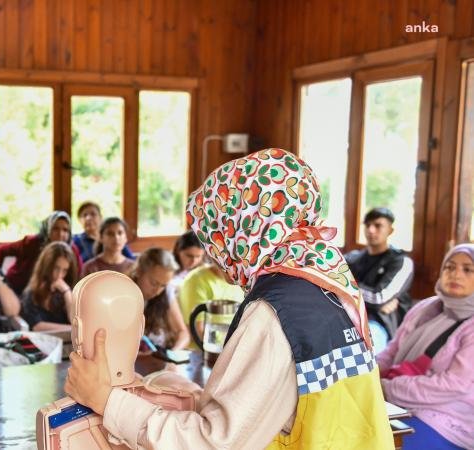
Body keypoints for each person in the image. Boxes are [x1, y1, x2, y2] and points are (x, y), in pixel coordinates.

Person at [65, 148, 394, 448]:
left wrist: (106, 400)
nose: (218, 255)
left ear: (244, 229)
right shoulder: (328, 279)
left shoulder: (273, 311)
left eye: (218, 239)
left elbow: (213, 444)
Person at [377, 243, 474, 449]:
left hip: (447, 419)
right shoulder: (426, 307)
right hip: (399, 402)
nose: (456, 274)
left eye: (467, 269)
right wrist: (368, 375)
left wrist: (388, 388)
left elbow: (454, 385)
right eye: (449, 267)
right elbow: (392, 351)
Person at [345, 207, 414, 350]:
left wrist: (343, 288)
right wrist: (377, 300)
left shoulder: (401, 262)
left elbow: (379, 297)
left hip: (379, 324)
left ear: (390, 230)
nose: (371, 230)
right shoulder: (353, 258)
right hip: (346, 317)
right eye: (367, 225)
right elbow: (329, 280)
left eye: (378, 225)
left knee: (362, 353)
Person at [0, 211, 83, 295]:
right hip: (19, 290)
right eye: (55, 228)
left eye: (65, 230)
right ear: (47, 229)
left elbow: (77, 276)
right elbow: (1, 250)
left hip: (51, 295)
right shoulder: (32, 242)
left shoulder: (71, 250)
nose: (60, 234)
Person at [130, 248, 190, 351]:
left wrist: (173, 355)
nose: (157, 291)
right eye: (153, 283)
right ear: (139, 271)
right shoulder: (122, 292)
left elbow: (183, 333)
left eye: (163, 285)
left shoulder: (167, 292)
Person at [179, 262, 245, 346]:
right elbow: (199, 330)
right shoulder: (197, 279)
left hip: (234, 348)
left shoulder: (242, 281)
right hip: (205, 352)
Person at [20, 242, 79, 332]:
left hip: (67, 341)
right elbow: (37, 326)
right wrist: (73, 330)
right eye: (56, 268)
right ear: (47, 266)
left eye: (65, 270)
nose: (59, 275)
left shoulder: (66, 290)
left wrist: (66, 292)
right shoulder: (31, 292)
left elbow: (74, 320)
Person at [166, 231, 206, 306]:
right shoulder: (167, 269)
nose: (193, 261)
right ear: (178, 251)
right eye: (189, 256)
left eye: (198, 256)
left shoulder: (204, 271)